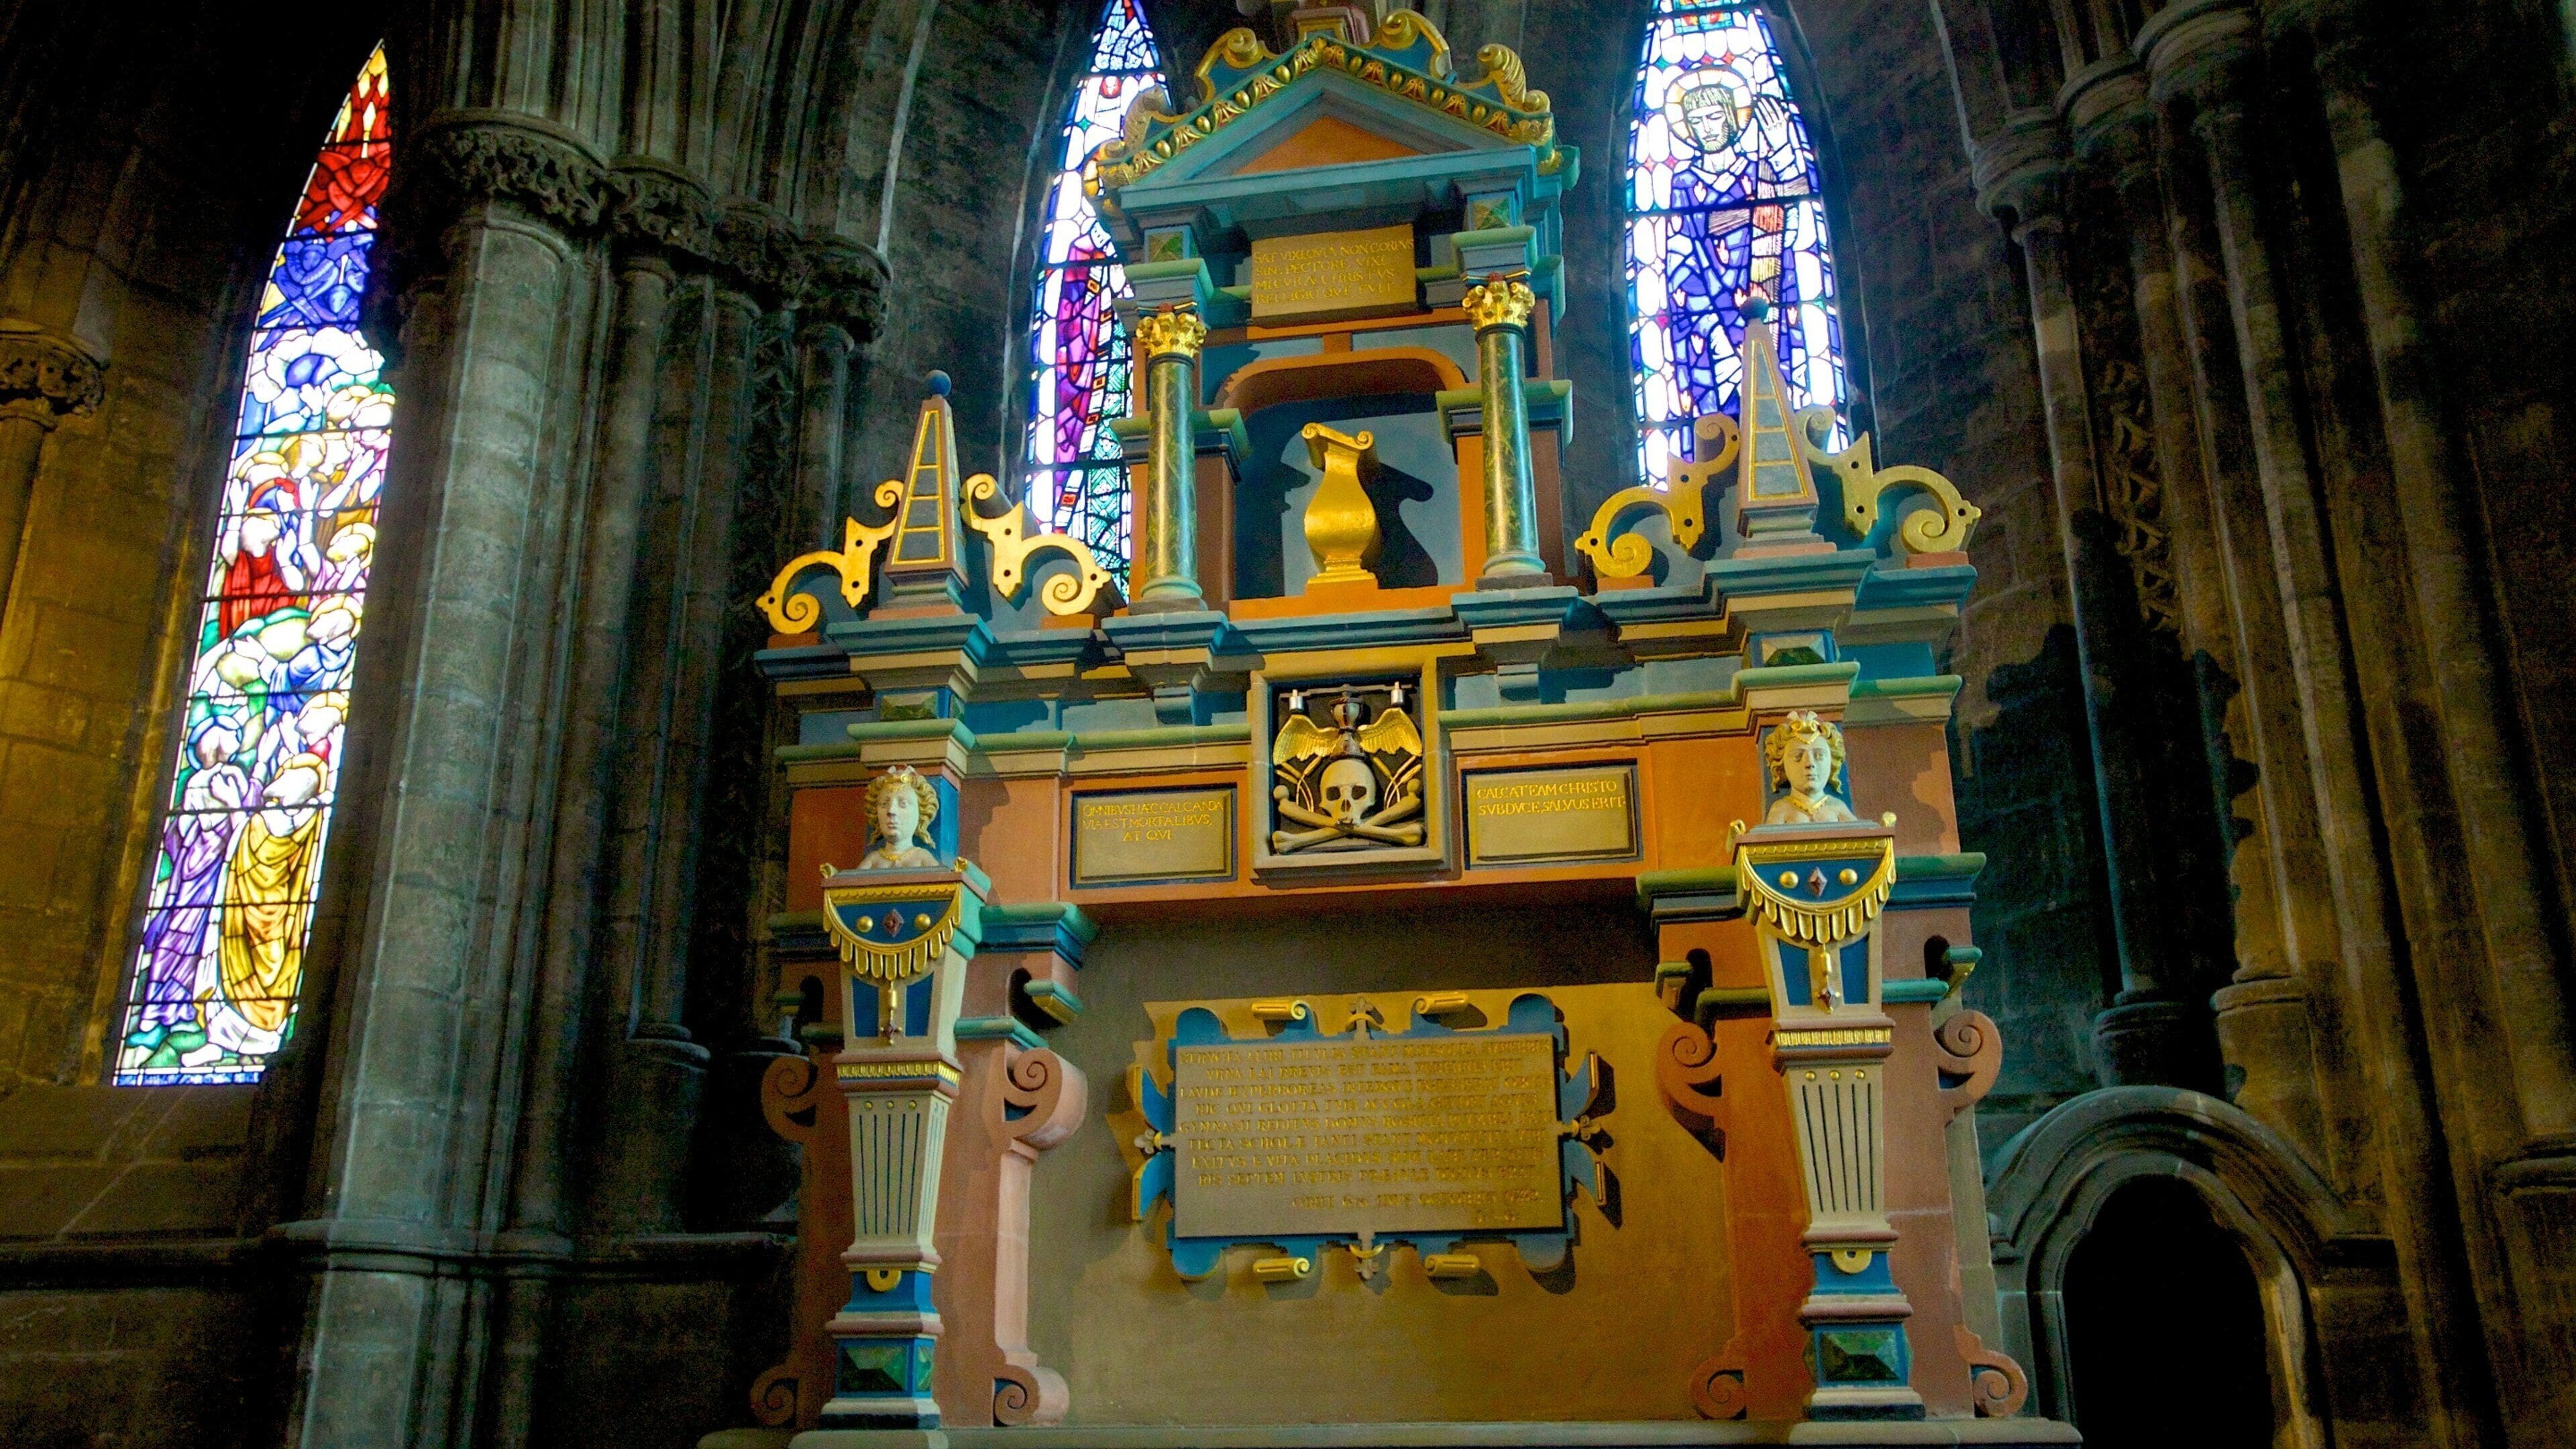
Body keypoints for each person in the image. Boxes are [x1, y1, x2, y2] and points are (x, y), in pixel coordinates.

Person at [1762, 708, 1858, 824]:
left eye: (1819, 756)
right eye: (1797, 756)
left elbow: (1860, 834)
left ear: (1832, 763)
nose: (1810, 764)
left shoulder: (1838, 807)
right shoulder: (1780, 809)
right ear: (1781, 765)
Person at [857, 764, 943, 869]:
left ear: (921, 812)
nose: (891, 811)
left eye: (904, 804)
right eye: (884, 804)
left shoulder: (922, 858)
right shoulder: (873, 859)